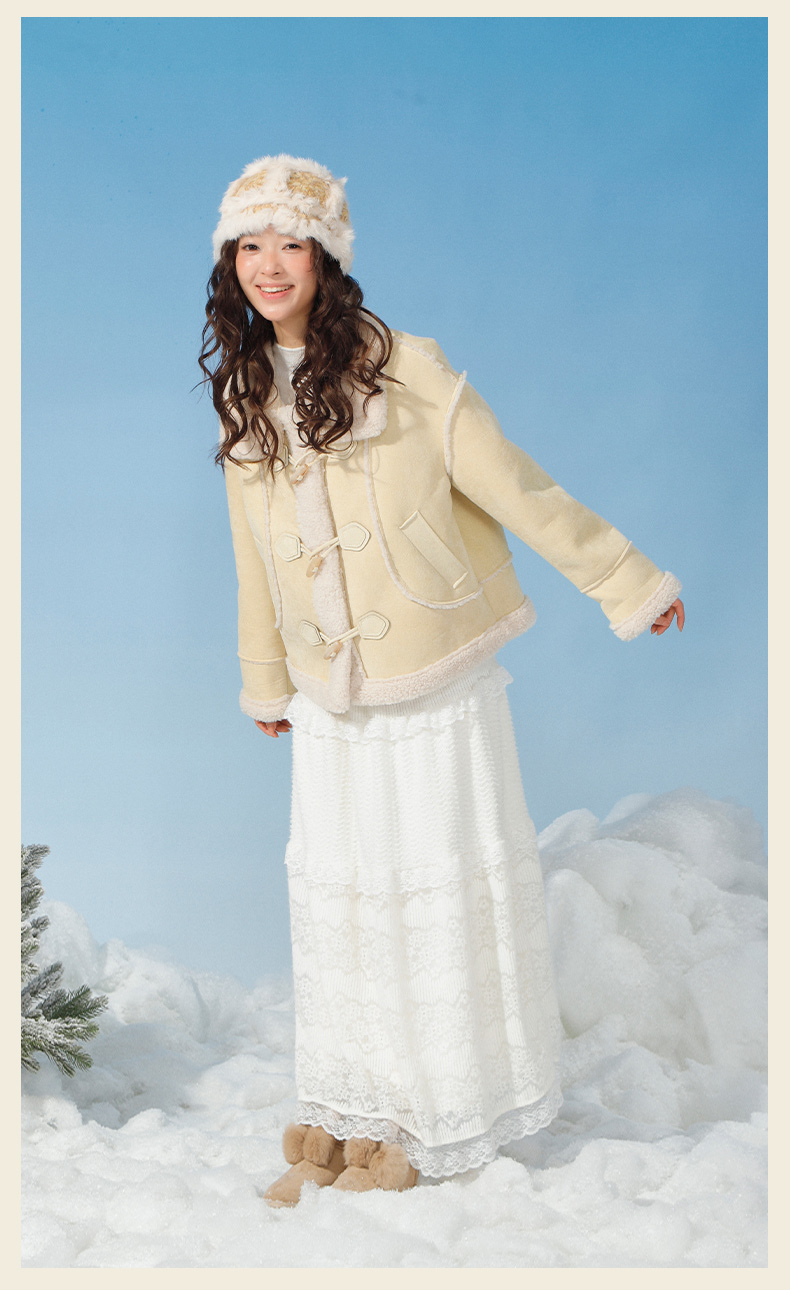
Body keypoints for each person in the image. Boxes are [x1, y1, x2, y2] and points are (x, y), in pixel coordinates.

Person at [199, 153, 685, 1207]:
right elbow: (250, 557)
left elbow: (517, 486)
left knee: (429, 892)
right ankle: (351, 1113)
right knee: (348, 902)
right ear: (229, 263)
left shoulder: (406, 369)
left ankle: (433, 1122)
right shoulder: (246, 392)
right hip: (329, 691)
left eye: (291, 243)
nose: (269, 266)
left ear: (327, 258)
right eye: (249, 245)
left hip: (432, 676)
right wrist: (265, 680)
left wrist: (626, 579)